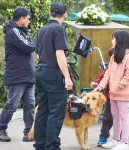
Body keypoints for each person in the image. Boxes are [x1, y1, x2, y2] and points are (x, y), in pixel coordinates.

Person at [33, 2, 73, 150]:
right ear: (65, 14)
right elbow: (59, 53)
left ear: (50, 13)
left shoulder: (42, 29)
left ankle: (40, 145)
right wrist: (67, 77)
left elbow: (38, 55)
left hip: (41, 73)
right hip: (54, 74)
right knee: (56, 112)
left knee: (43, 110)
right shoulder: (58, 29)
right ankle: (52, 146)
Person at [0, 7, 36, 142]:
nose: (29, 21)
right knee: (12, 105)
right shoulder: (13, 32)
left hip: (28, 76)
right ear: (22, 18)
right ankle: (0, 129)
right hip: (17, 77)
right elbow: (29, 47)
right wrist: (39, 36)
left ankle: (29, 132)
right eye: (28, 18)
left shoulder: (21, 32)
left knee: (30, 105)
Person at [94, 30, 129, 150]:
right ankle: (115, 140)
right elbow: (107, 73)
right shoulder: (114, 55)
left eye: (114, 38)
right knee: (115, 116)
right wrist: (101, 86)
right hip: (113, 93)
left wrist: (118, 86)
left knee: (124, 116)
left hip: (123, 93)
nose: (112, 41)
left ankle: (124, 143)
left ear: (120, 40)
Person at [90, 48, 114, 146]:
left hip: (122, 97)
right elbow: (104, 76)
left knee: (121, 118)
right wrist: (97, 82)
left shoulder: (126, 63)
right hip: (110, 96)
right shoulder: (110, 67)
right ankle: (103, 137)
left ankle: (120, 139)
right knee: (107, 117)